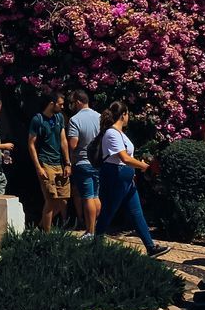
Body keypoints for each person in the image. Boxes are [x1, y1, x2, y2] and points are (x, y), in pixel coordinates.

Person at [92, 101, 169, 257]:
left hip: (124, 175)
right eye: (128, 114)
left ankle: (150, 247)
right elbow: (124, 158)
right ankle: (96, 243)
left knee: (136, 211)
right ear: (123, 114)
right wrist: (145, 167)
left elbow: (127, 158)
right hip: (116, 174)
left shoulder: (120, 134)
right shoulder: (111, 133)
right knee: (109, 210)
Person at [28, 88, 70, 231]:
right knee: (51, 200)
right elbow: (31, 144)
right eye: (60, 104)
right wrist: (38, 167)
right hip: (45, 162)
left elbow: (63, 140)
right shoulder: (38, 119)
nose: (62, 106)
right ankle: (47, 235)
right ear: (52, 104)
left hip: (59, 162)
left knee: (63, 200)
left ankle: (40, 226)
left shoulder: (59, 118)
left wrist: (67, 163)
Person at [66, 90, 102, 238]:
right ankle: (96, 227)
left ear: (78, 102)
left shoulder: (75, 120)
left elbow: (73, 144)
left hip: (82, 160)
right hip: (97, 161)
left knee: (87, 197)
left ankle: (90, 230)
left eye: (72, 102)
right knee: (96, 196)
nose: (71, 106)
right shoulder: (99, 117)